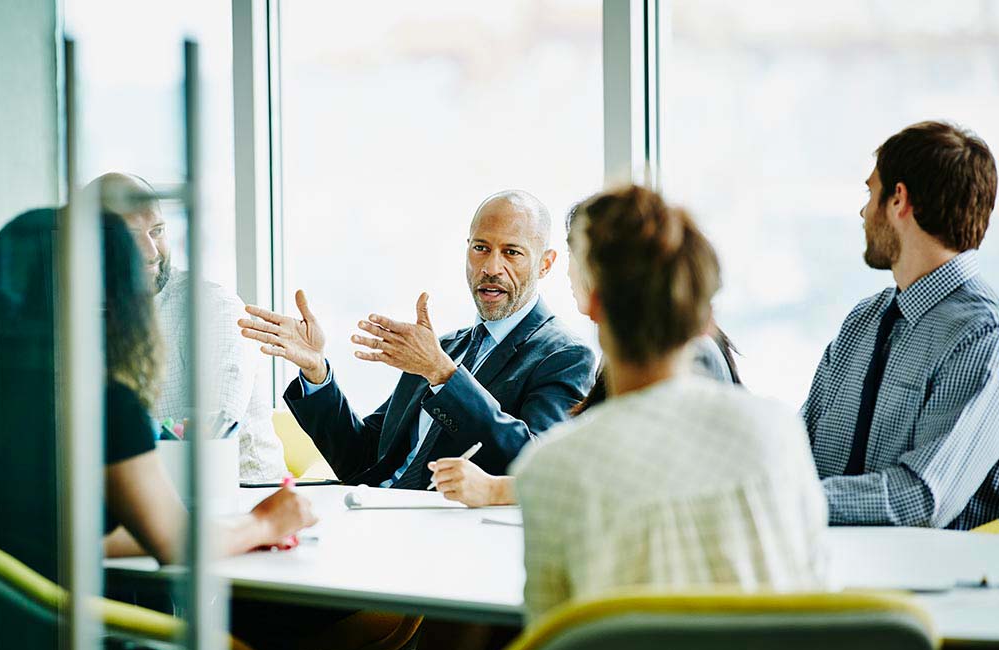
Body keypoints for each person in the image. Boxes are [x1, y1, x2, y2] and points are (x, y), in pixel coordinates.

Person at [0, 208, 316, 583]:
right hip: (72, 645)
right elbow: (174, 544)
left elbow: (42, 536)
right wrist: (265, 523)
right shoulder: (104, 405)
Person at [512, 185, 827, 623]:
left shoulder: (552, 469)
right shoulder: (779, 431)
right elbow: (816, 595)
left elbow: (550, 648)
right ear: (702, 310)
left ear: (593, 303)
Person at [239, 190, 596, 489]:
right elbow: (361, 460)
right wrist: (317, 372)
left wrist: (443, 374)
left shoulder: (564, 355)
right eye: (481, 248)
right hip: (375, 514)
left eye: (512, 252)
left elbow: (535, 468)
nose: (491, 267)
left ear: (545, 264)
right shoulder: (442, 348)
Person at [427, 199, 743, 507]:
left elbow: (633, 481)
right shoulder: (634, 353)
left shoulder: (688, 355)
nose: (567, 272)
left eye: (573, 255)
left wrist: (495, 490)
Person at [803, 121, 999, 530]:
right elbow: (800, 446)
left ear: (899, 200)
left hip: (926, 586)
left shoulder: (984, 335)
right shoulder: (863, 321)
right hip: (827, 572)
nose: (862, 212)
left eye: (869, 193)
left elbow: (922, 497)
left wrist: (787, 504)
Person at [90, 173, 286, 482]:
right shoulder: (76, 314)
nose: (151, 252)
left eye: (157, 231)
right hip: (135, 507)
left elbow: (209, 439)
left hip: (244, 500)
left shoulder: (211, 308)